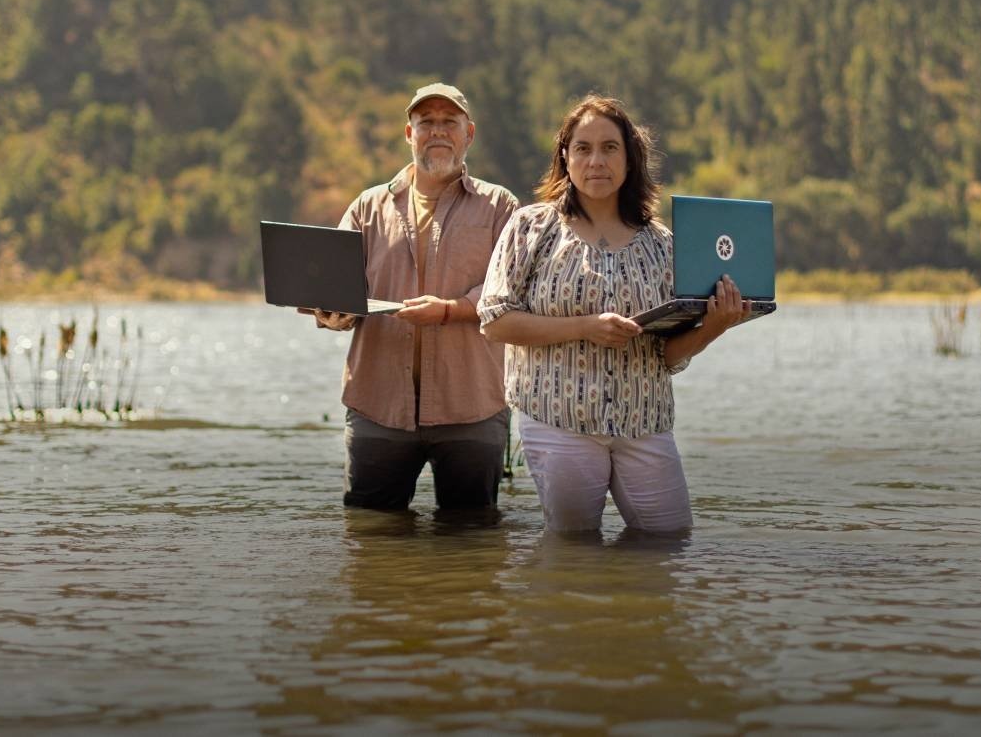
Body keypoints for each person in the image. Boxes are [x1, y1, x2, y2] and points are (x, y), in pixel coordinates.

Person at [477, 94, 748, 533]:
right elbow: (494, 322)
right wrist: (586, 327)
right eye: (583, 148)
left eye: (609, 147)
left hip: (645, 421)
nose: (596, 161)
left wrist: (713, 327)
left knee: (669, 538)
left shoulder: (663, 245)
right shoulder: (531, 228)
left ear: (630, 159)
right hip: (557, 417)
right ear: (565, 158)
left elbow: (666, 356)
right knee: (574, 551)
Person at [304, 83, 519, 513]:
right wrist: (331, 313)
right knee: (371, 539)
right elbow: (333, 289)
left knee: (471, 542)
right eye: (426, 123)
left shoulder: (500, 207)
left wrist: (449, 311)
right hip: (377, 407)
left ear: (469, 133)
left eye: (448, 122)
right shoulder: (367, 207)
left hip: (472, 407)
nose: (437, 131)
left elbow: (511, 290)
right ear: (409, 133)